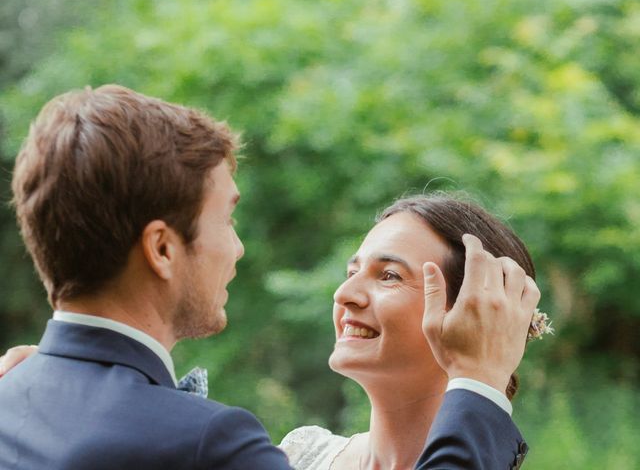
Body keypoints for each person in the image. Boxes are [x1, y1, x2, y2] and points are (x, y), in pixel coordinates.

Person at [0, 84, 538, 469]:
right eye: (227, 219)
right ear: (162, 248)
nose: (237, 248)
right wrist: (480, 385)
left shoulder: (12, 399)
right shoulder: (224, 445)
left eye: (388, 275)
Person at [280, 194, 539, 469]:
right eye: (352, 273)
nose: (344, 294)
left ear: (477, 313)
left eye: (389, 275)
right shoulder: (298, 456)